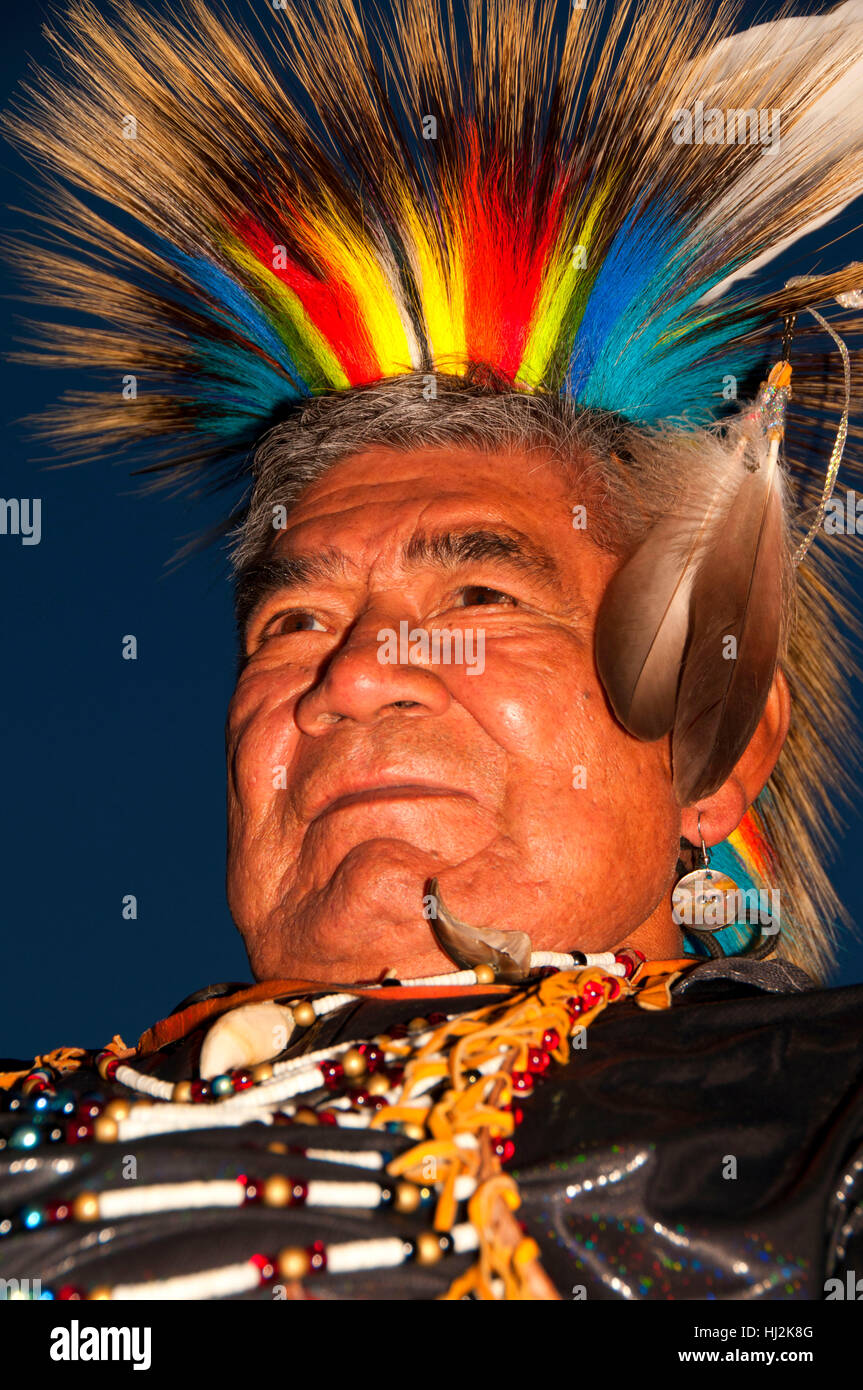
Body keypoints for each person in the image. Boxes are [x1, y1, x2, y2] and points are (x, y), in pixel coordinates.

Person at [1, 0, 862, 1301]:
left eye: (476, 592)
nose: (352, 675)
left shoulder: (813, 1147)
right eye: (292, 622)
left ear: (715, 733)